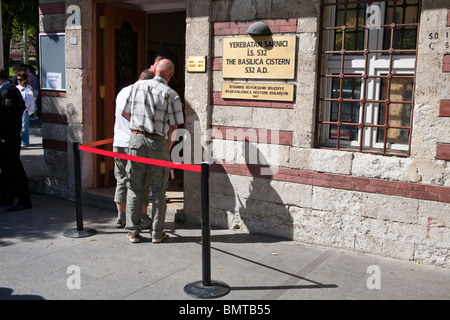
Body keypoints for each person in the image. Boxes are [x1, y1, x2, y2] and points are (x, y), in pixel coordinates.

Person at [122, 59, 184, 243]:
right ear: (170, 75)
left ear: (155, 70)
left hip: (136, 138)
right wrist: (168, 147)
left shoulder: (136, 86)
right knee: (159, 189)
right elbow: (175, 127)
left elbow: (125, 113)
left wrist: (138, 128)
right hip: (158, 141)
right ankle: (157, 233)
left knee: (134, 186)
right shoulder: (171, 94)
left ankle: (133, 232)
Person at [113, 69, 154, 228]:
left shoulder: (123, 91)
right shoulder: (144, 94)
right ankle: (143, 217)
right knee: (142, 182)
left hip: (119, 142)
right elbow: (127, 114)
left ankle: (121, 217)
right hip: (136, 143)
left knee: (122, 180)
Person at [0, 68, 32, 211]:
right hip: (10, 136)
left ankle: (23, 200)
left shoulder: (7, 92)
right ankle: (8, 196)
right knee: (7, 168)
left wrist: (3, 136)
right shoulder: (12, 90)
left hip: (8, 137)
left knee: (14, 168)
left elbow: (6, 116)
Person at [16, 71, 36, 147]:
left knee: (24, 126)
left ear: (24, 80)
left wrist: (29, 93)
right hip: (18, 109)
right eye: (18, 79)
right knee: (18, 125)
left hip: (25, 109)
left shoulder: (28, 87)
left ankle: (25, 141)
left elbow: (33, 97)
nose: (19, 81)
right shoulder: (16, 87)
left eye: (21, 79)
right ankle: (19, 140)